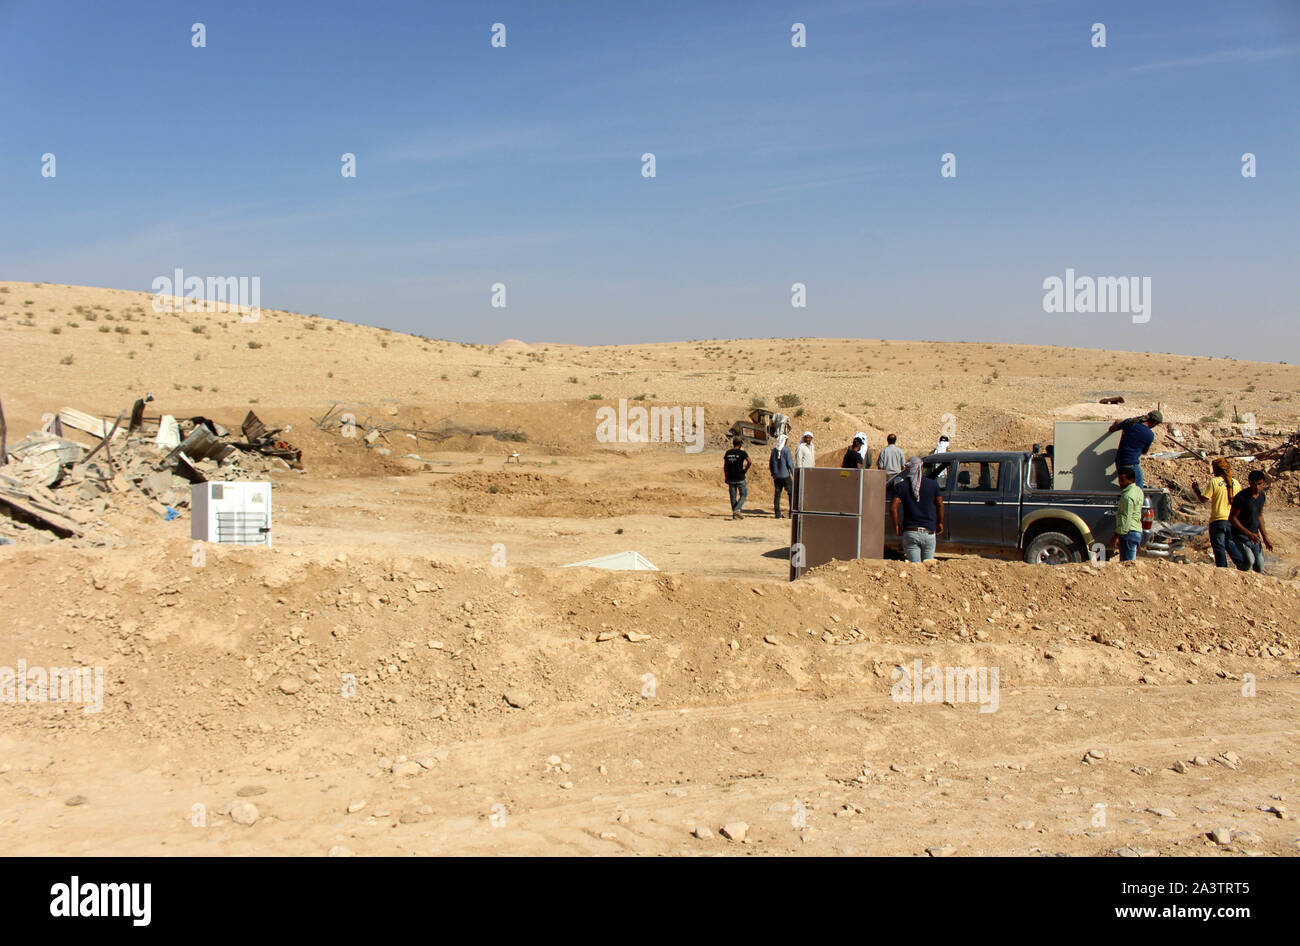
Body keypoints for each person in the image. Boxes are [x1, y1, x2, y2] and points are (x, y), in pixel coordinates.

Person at [890, 457, 944, 562]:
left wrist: (896, 525)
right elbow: (940, 505)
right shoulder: (933, 484)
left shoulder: (900, 486)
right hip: (929, 531)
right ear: (921, 467)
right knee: (927, 565)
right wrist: (940, 522)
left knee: (915, 569)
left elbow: (892, 508)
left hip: (910, 532)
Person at [1193, 458, 1243, 568]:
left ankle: (1222, 569)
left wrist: (1196, 490)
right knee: (1230, 544)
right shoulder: (1236, 483)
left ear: (1217, 469)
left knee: (1219, 546)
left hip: (1217, 520)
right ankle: (1242, 565)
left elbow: (1203, 499)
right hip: (1232, 520)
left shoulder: (1214, 482)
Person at [1228, 470, 1273, 573]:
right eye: (1254, 484)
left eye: (1259, 484)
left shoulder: (1262, 496)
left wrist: (1265, 537)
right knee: (1249, 561)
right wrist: (1247, 533)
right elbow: (1232, 518)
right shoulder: (1241, 498)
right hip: (1241, 535)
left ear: (1263, 483)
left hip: (1254, 536)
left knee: (1260, 566)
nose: (1257, 487)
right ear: (1249, 483)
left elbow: (1260, 515)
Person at [1108, 410, 1162, 488]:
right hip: (1131, 464)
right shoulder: (1149, 434)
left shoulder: (1130, 422)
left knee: (1126, 489)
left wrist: (1119, 423)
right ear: (1154, 423)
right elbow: (1144, 452)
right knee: (1138, 491)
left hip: (1119, 462)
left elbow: (1111, 429)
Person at [1115, 466, 1144, 562]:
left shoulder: (1127, 496)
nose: (1120, 483)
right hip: (1136, 531)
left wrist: (1116, 536)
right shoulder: (1138, 491)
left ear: (1131, 480)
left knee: (1127, 565)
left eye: (1123, 480)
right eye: (1119, 480)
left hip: (1128, 533)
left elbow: (1125, 518)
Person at [723, 437, 751, 521]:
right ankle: (736, 510)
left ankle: (735, 516)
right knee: (743, 495)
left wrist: (726, 476)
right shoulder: (742, 453)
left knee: (733, 497)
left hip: (731, 477)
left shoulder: (728, 453)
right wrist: (745, 470)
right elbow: (750, 461)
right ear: (740, 444)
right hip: (740, 477)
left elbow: (725, 466)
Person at [769, 434, 794, 520]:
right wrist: (794, 473)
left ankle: (777, 514)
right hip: (785, 476)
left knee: (777, 495)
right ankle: (791, 513)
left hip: (777, 476)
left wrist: (773, 473)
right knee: (791, 494)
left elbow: (771, 464)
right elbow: (790, 463)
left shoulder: (774, 451)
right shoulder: (786, 450)